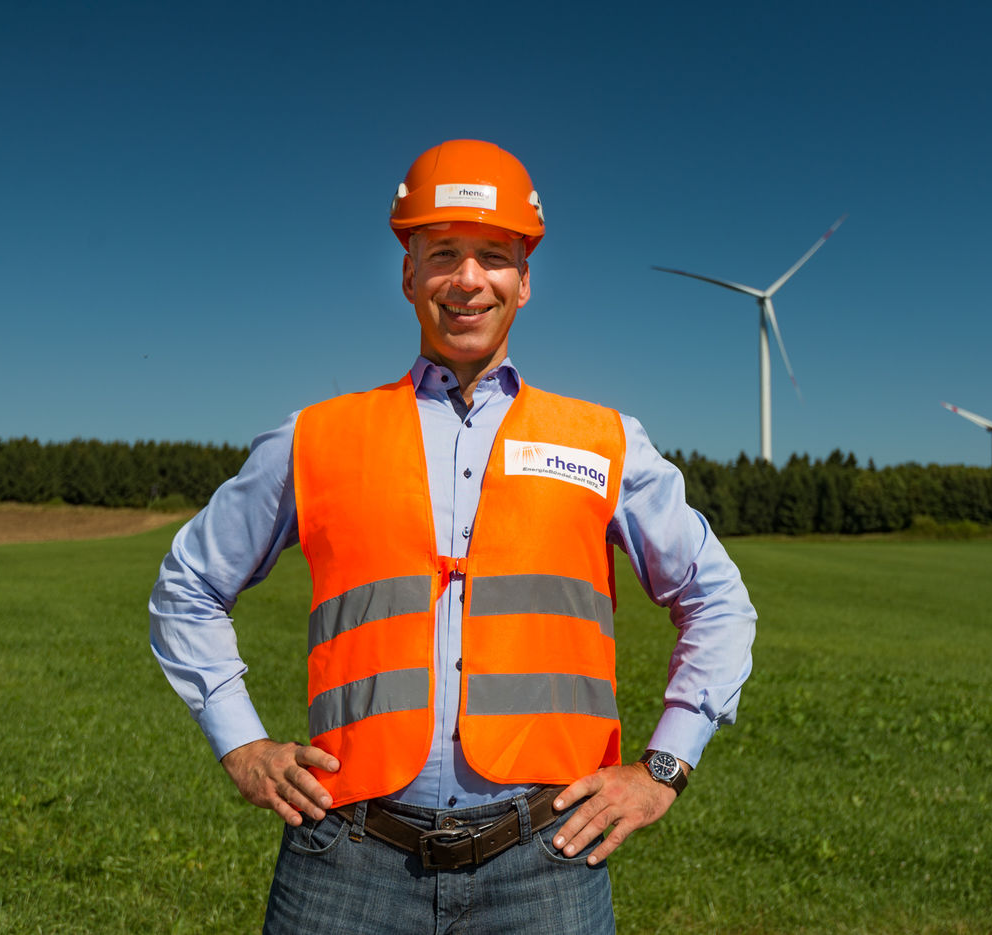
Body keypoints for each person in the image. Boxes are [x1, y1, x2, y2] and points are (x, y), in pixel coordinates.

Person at [149, 139, 756, 933]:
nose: (469, 279)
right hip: (344, 860)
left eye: (494, 256)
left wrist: (664, 768)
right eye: (443, 253)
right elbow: (187, 586)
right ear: (408, 274)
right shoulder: (316, 437)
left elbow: (718, 599)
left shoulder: (605, 441)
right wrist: (242, 745)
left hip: (548, 861)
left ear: (524, 279)